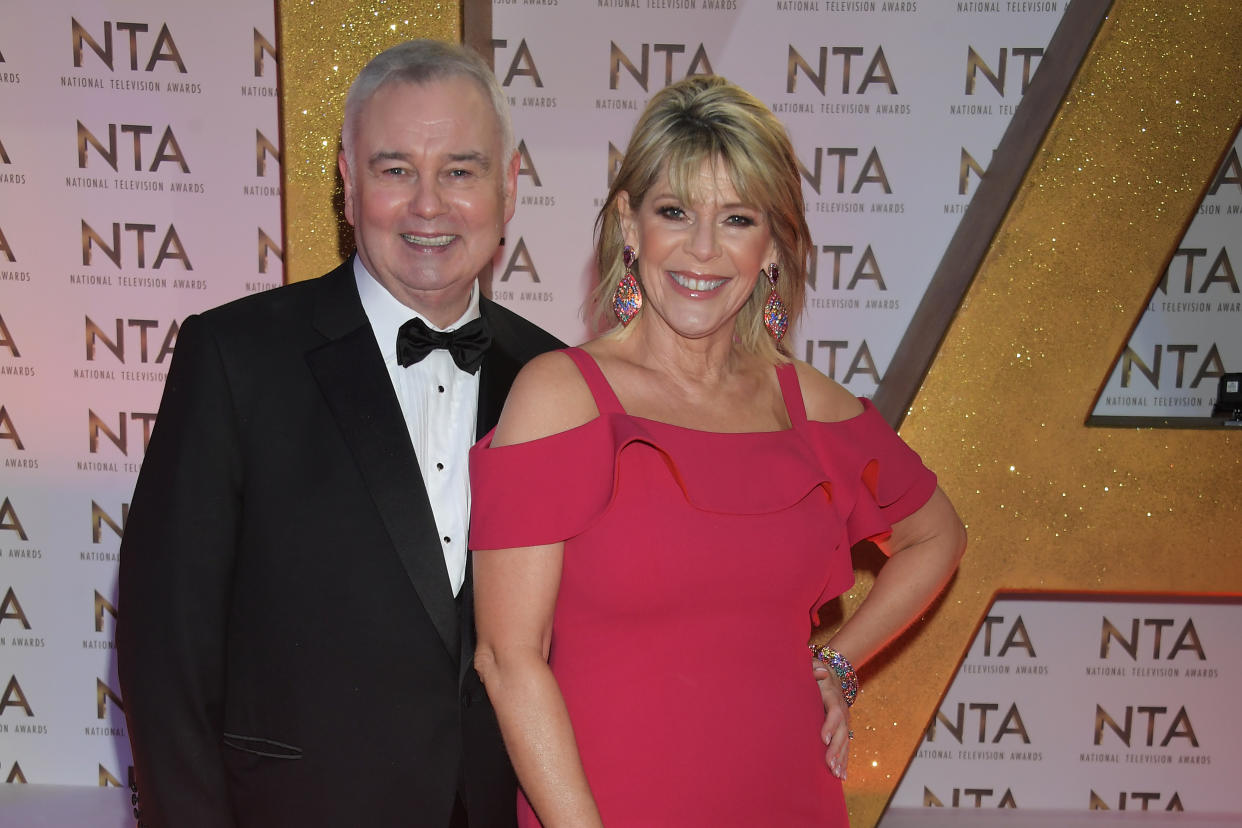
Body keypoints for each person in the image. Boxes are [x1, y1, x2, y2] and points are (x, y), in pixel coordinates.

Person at [469, 76, 967, 827]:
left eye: (737, 219)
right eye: (675, 212)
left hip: (789, 798)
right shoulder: (561, 398)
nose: (703, 250)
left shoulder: (813, 409)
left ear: (772, 245)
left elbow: (938, 535)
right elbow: (509, 659)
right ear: (631, 227)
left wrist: (836, 662)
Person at [116, 40, 562, 828]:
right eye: (395, 170)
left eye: (460, 170)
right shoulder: (235, 358)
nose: (429, 205)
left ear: (510, 185)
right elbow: (166, 653)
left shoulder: (554, 380)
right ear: (348, 186)